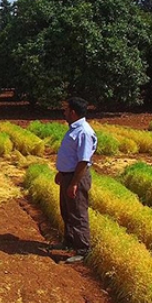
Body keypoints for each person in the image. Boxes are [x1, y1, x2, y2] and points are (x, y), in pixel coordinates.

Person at [51, 97, 97, 263]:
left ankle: (83, 250)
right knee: (67, 211)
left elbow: (83, 161)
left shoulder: (84, 131)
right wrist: (61, 173)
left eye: (66, 110)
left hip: (76, 177)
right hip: (67, 176)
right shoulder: (74, 129)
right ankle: (69, 242)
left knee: (78, 214)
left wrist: (74, 183)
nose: (64, 112)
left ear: (73, 112)